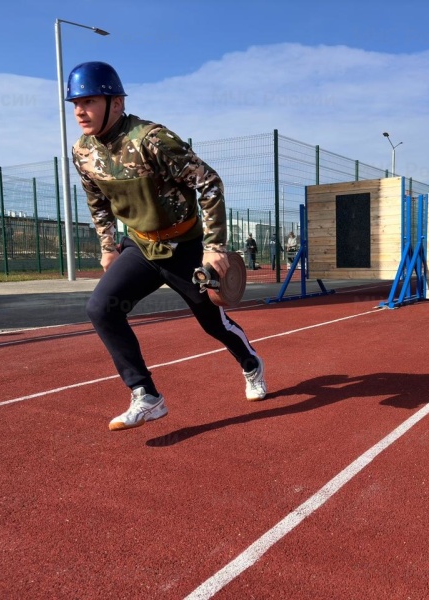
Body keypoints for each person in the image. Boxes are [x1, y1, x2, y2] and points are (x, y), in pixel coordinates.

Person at [66, 61, 267, 431]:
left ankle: (251, 364)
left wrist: (215, 247)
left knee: (212, 322)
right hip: (139, 247)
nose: (80, 110)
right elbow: (97, 201)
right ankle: (146, 395)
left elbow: (209, 184)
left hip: (185, 247)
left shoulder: (152, 140)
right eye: (75, 102)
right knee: (101, 308)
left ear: (116, 103)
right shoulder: (82, 153)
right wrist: (108, 246)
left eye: (89, 100)